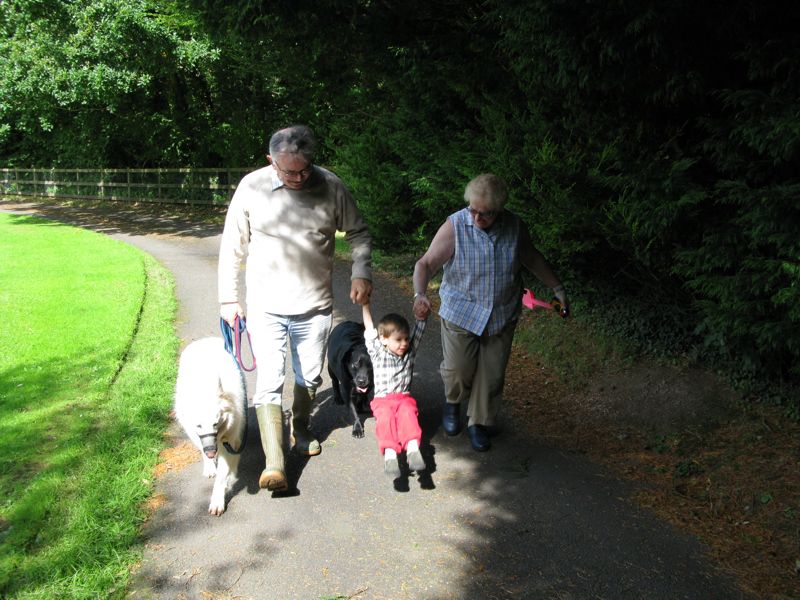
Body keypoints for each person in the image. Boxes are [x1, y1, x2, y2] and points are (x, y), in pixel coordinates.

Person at [218, 125, 372, 492]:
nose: (299, 177)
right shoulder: (251, 187)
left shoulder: (331, 186)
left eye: (305, 169)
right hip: (265, 306)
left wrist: (361, 271)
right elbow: (232, 246)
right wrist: (228, 297)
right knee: (269, 383)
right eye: (290, 172)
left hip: (314, 305)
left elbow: (359, 233)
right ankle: (275, 464)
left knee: (309, 377)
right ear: (271, 161)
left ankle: (299, 429)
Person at [412, 173, 569, 452]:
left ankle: (478, 423)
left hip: (501, 312)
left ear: (500, 210)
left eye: (485, 214)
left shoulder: (514, 227)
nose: (477, 218)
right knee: (459, 370)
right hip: (461, 311)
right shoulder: (456, 225)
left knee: (492, 374)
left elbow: (531, 257)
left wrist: (556, 287)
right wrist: (420, 294)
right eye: (473, 210)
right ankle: (453, 402)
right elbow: (426, 264)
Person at [362, 301, 428, 478]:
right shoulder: (377, 353)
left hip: (403, 398)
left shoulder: (410, 353)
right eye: (398, 340)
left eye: (406, 339)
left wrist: (422, 312)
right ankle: (390, 454)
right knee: (385, 417)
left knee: (408, 412)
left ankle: (413, 449)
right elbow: (369, 330)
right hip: (383, 399)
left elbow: (419, 328)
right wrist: (365, 304)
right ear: (383, 339)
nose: (404, 343)